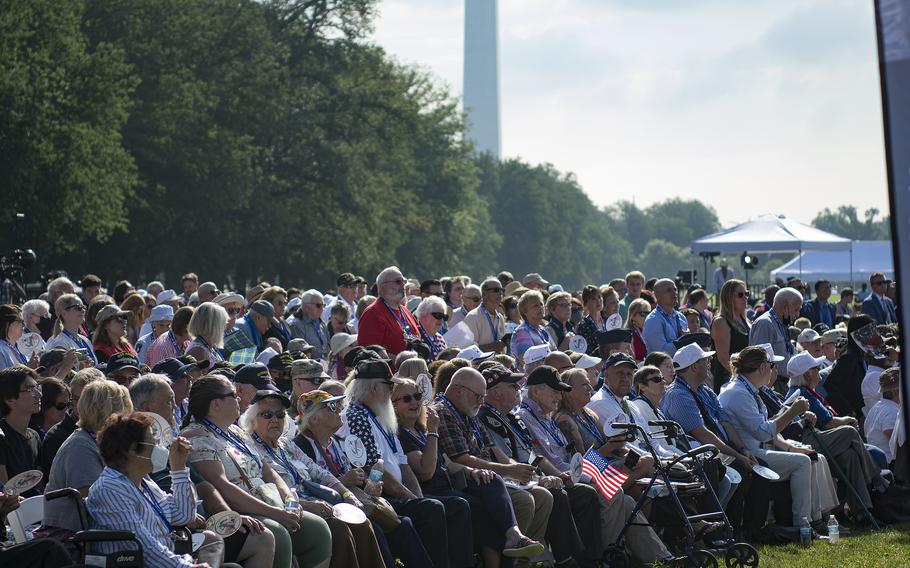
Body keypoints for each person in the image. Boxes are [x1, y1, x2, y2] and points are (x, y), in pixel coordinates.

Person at [181, 375, 332, 568]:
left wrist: (290, 501)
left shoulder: (235, 431)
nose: (239, 399)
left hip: (268, 502)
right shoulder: (196, 437)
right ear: (216, 404)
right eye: (233, 394)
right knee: (278, 533)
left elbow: (267, 471)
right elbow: (222, 487)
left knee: (317, 530)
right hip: (238, 510)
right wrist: (275, 513)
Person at [394, 376, 544, 567]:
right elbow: (426, 471)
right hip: (433, 491)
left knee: (491, 481)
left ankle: (514, 536)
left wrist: (472, 471)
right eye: (407, 399)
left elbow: (448, 463)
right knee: (470, 506)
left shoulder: (420, 429)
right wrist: (433, 432)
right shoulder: (401, 434)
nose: (415, 402)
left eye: (417, 396)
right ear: (393, 405)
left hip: (450, 483)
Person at [243, 390, 386, 568]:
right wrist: (306, 505)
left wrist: (348, 494)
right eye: (267, 415)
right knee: (339, 529)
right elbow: (266, 493)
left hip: (320, 503)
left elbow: (319, 472)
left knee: (361, 522)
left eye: (280, 414)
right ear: (252, 420)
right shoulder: (251, 449)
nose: (275, 419)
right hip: (293, 510)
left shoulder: (286, 444)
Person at [295, 389, 434, 568]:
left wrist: (369, 486)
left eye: (337, 404)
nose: (338, 409)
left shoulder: (338, 441)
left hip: (358, 502)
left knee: (405, 524)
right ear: (313, 418)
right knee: (375, 528)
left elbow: (358, 478)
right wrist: (344, 482)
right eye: (331, 406)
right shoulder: (302, 447)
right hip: (334, 509)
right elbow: (308, 488)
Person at [339, 357, 453, 568]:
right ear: (374, 388)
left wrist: (417, 498)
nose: (391, 391)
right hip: (378, 497)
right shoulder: (356, 416)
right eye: (388, 385)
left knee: (454, 506)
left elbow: (404, 466)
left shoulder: (380, 415)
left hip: (396, 494)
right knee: (432, 509)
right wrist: (412, 500)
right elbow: (375, 469)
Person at [87, 412, 233, 567]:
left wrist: (179, 467)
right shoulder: (110, 489)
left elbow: (184, 515)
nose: (160, 446)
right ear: (133, 449)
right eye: (153, 442)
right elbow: (144, 548)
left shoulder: (143, 481)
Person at [659, 344, 767, 540]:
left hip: (717, 450)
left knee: (756, 467)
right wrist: (738, 456)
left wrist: (742, 449)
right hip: (700, 454)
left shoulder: (704, 391)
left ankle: (743, 529)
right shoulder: (678, 395)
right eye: (704, 361)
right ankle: (718, 530)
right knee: (739, 468)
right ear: (693, 367)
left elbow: (724, 421)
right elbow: (702, 434)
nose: (709, 363)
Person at [719, 346, 825, 529]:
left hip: (757, 449)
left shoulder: (747, 389)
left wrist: (788, 415)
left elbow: (765, 427)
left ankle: (815, 521)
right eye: (771, 365)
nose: (774, 369)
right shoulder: (738, 392)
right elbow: (762, 432)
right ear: (761, 367)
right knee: (802, 462)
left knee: (811, 458)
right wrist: (792, 412)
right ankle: (803, 525)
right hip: (749, 454)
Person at [785, 351, 882, 523]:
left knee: (850, 456)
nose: (819, 371)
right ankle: (876, 479)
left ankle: (863, 512)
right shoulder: (802, 393)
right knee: (850, 432)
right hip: (808, 440)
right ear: (807, 374)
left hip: (819, 437)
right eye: (815, 368)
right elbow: (829, 423)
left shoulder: (804, 391)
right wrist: (849, 420)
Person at [40, 380, 133, 541]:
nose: (128, 418)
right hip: (75, 539)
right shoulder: (80, 446)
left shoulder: (101, 441)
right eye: (124, 411)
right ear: (107, 413)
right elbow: (93, 503)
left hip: (99, 531)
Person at [38, 368, 103, 477]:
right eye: (76, 398)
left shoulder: (113, 430)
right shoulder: (57, 437)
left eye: (86, 399)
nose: (80, 405)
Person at [357, 267, 421, 357]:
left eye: (404, 281)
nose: (403, 285)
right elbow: (369, 354)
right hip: (391, 370)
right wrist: (400, 361)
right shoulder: (372, 313)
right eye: (398, 281)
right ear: (382, 287)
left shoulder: (405, 310)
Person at [749, 287, 802, 391]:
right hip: (773, 386)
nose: (798, 314)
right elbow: (758, 361)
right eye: (796, 309)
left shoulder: (782, 324)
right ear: (785, 307)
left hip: (783, 384)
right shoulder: (765, 324)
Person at [824, 314, 876, 419]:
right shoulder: (849, 357)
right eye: (869, 330)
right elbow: (830, 384)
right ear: (859, 333)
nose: (873, 334)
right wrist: (848, 411)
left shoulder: (862, 354)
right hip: (857, 415)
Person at [0, 366, 42, 487]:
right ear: (10, 400)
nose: (39, 394)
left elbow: (38, 484)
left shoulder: (34, 436)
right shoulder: (1, 438)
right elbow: (6, 493)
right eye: (30, 389)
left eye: (37, 387)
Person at [711, 279, 751, 392]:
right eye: (740, 294)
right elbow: (724, 358)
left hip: (745, 379)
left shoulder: (745, 320)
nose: (745, 297)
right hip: (729, 381)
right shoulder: (721, 322)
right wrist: (744, 378)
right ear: (729, 298)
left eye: (746, 293)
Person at [46, 294, 97, 366]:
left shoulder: (85, 340)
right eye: (78, 307)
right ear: (64, 313)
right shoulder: (60, 343)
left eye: (83, 307)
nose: (83, 310)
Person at [510, 290, 555, 369]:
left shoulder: (543, 330)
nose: (540, 308)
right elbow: (526, 361)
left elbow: (554, 351)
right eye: (535, 306)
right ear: (525, 311)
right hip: (529, 378)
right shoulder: (522, 332)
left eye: (541, 304)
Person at [642, 279, 688, 356]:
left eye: (675, 289)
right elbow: (662, 352)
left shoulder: (681, 317)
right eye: (668, 290)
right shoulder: (653, 320)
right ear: (658, 296)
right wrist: (683, 340)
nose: (674, 293)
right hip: (662, 366)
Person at [462, 277, 508, 354]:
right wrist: (493, 347)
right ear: (484, 294)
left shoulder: (500, 317)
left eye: (502, 290)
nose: (500, 293)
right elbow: (467, 351)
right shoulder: (472, 317)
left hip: (498, 364)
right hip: (480, 365)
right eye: (496, 290)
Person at [865, 368, 901, 464]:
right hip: (891, 464)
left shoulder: (877, 407)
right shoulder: (891, 410)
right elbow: (889, 431)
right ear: (896, 391)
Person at [576, 285, 608, 357]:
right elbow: (586, 351)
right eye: (593, 299)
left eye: (599, 297)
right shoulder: (583, 326)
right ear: (586, 303)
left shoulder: (608, 320)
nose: (598, 301)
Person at [414, 296, 448, 362]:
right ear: (424, 315)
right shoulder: (415, 336)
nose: (442, 320)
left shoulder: (439, 338)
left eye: (444, 317)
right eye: (438, 315)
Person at [0, 305, 29, 369]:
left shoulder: (19, 346)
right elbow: (3, 377)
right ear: (7, 324)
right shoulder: (1, 349)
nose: (23, 325)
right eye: (20, 321)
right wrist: (30, 369)